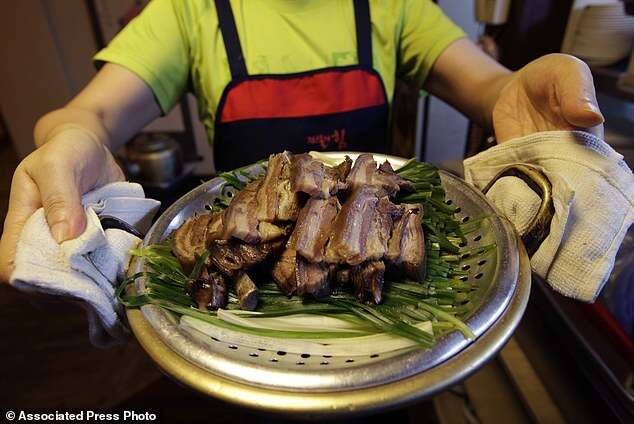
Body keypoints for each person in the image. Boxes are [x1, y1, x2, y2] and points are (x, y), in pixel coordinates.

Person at [0, 0, 604, 283]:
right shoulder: (189, 10)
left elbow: (488, 85)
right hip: (251, 292)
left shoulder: (394, 5)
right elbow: (90, 113)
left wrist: (514, 95)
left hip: (363, 270)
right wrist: (70, 135)